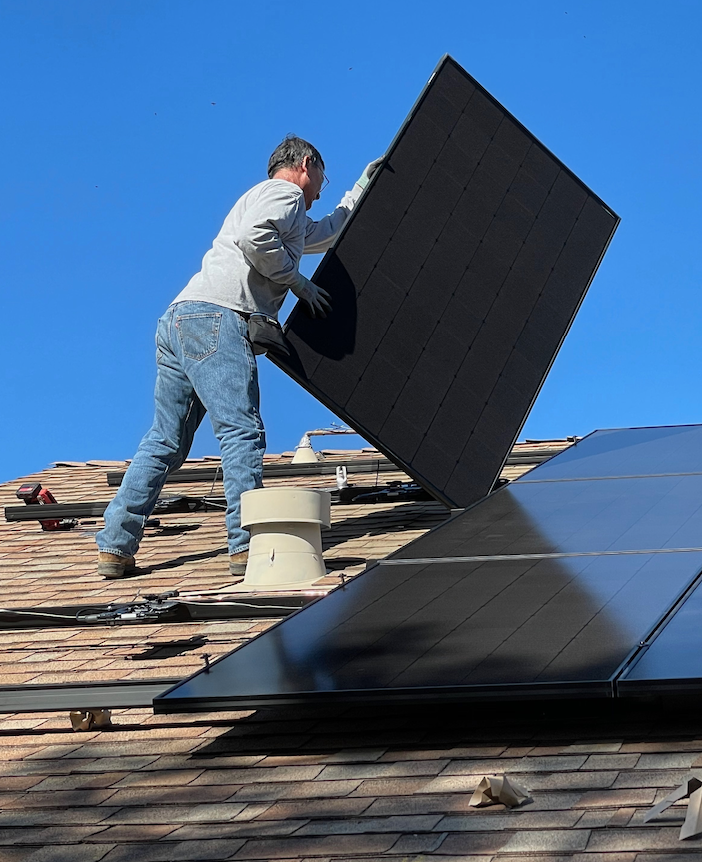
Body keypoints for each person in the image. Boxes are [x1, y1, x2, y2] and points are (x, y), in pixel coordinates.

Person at [95, 135, 382, 579]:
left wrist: (361, 188)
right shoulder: (284, 194)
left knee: (165, 441)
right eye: (323, 179)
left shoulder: (274, 204)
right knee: (241, 431)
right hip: (218, 317)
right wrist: (298, 284)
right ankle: (247, 546)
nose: (320, 191)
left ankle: (115, 545)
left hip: (180, 320)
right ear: (307, 164)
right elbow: (255, 238)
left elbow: (324, 234)